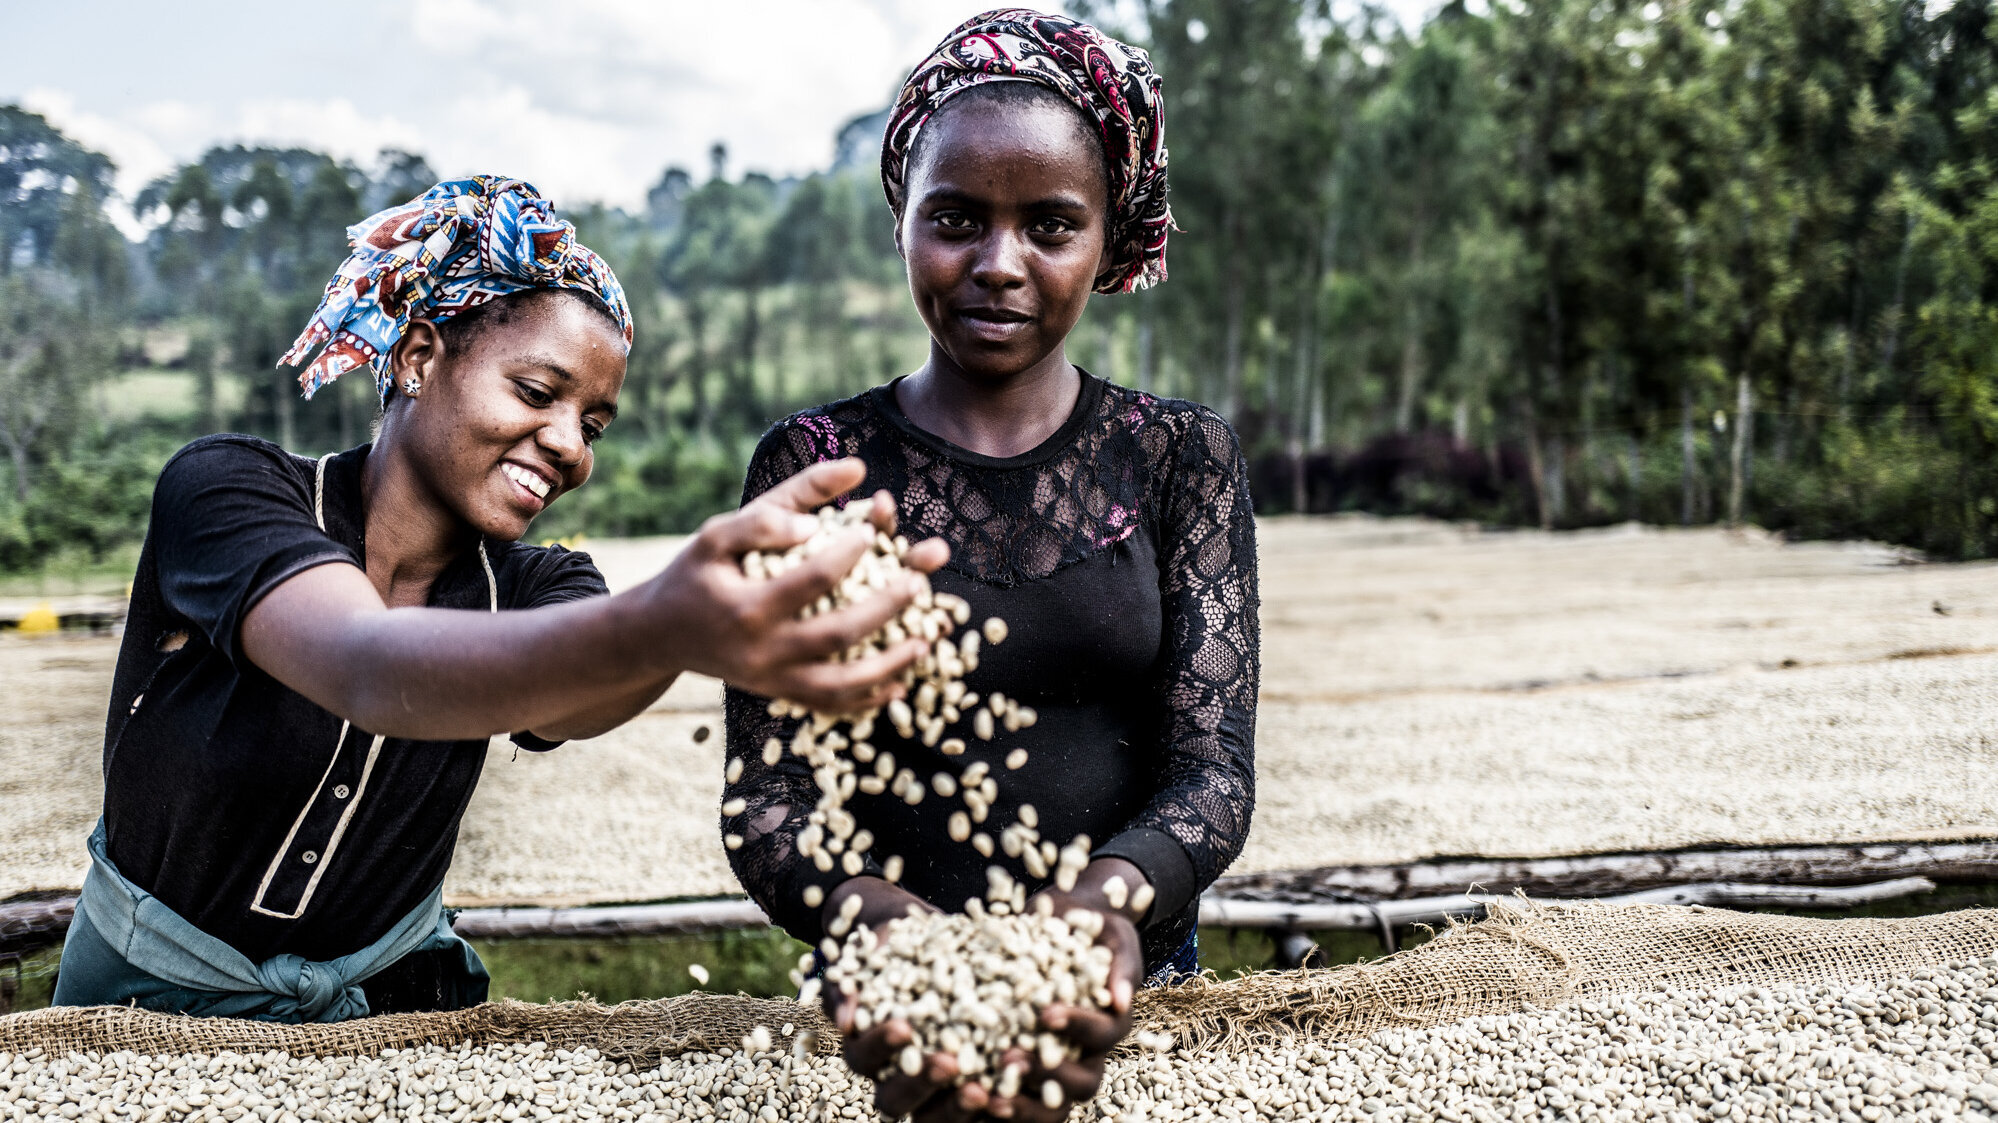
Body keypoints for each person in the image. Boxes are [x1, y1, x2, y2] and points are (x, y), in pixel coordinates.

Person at [53, 176, 946, 1023]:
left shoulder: (537, 585)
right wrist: (665, 618)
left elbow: (578, 694)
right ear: (417, 356)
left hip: (394, 1010)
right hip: (142, 1000)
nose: (567, 446)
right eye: (536, 392)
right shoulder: (228, 491)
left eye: (592, 424)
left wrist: (694, 628)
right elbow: (364, 663)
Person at [721, 10, 1259, 1120]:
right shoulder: (816, 465)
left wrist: (1109, 905)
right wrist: (870, 919)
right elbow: (767, 799)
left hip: (1129, 991)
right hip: (887, 1002)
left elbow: (1212, 774)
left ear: (1108, 238)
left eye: (1052, 224)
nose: (999, 264)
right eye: (956, 218)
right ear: (904, 223)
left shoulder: (1179, 458)